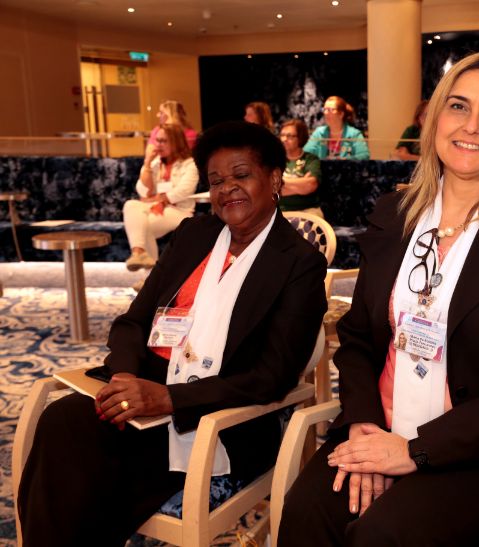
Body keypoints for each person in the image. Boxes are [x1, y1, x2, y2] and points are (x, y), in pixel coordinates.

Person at [279, 51, 479, 546]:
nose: (471, 125)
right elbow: (358, 340)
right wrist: (366, 425)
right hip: (381, 424)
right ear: (435, 120)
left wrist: (414, 451)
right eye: (458, 106)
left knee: (382, 537)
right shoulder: (394, 214)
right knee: (306, 513)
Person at [17, 121, 328, 546]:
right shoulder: (195, 235)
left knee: (88, 475)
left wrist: (168, 399)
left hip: (219, 420)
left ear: (274, 179)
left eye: (241, 175)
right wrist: (125, 377)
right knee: (62, 421)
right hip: (145, 394)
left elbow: (271, 376)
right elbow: (132, 322)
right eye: (216, 181)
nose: (227, 189)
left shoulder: (298, 263)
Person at [123, 124, 199, 271]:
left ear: (176, 142)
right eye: (157, 140)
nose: (158, 145)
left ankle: (150, 277)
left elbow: (184, 190)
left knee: (146, 225)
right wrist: (147, 164)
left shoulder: (190, 164)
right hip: (153, 206)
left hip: (179, 210)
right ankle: (138, 253)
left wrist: (160, 199)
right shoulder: (154, 162)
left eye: (163, 141)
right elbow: (143, 191)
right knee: (130, 205)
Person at [279, 119, 324, 217]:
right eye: (282, 135)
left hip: (308, 210)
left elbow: (310, 185)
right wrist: (301, 184)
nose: (284, 139)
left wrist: (281, 182)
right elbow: (270, 189)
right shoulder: (274, 159)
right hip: (280, 210)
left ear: (300, 138)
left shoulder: (311, 159)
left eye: (289, 136)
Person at [304, 96, 370, 160]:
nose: (326, 113)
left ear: (341, 114)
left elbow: (364, 156)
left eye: (330, 110)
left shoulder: (354, 134)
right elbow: (305, 154)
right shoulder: (319, 132)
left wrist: (345, 161)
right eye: (324, 109)